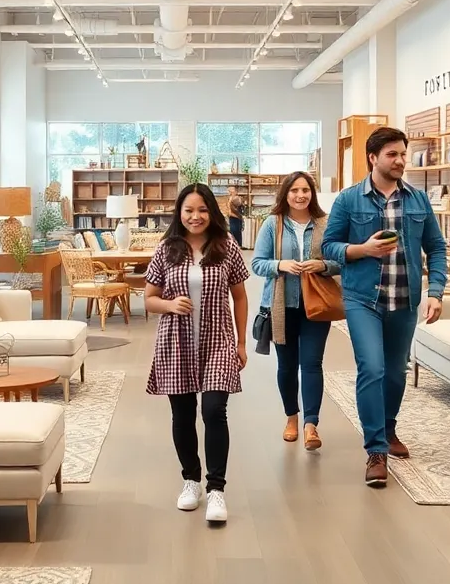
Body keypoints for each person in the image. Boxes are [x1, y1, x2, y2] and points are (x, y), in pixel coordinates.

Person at [323, 127, 447, 488]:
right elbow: (329, 247)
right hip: (363, 298)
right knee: (372, 368)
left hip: (405, 300)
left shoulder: (418, 200)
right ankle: (375, 450)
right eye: (392, 154)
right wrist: (362, 250)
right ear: (373, 158)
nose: (400, 161)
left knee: (396, 373)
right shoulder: (349, 200)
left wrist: (436, 290)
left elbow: (436, 248)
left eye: (403, 154)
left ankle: (388, 428)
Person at [144, 183, 250, 523]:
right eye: (188, 210)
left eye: (202, 210)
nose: (195, 216)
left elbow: (241, 297)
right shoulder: (167, 248)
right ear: (179, 213)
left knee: (215, 410)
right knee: (183, 414)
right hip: (176, 342)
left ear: (212, 213)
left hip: (218, 340)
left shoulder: (227, 246)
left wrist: (241, 342)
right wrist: (170, 304)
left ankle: (216, 488)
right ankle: (191, 481)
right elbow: (149, 298)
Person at [251, 171, 340, 451]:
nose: (301, 195)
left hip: (317, 306)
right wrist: (280, 265)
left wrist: (322, 266)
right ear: (285, 194)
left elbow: (341, 261)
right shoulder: (273, 224)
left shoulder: (326, 224)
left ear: (312, 194)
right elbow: (257, 264)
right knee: (287, 366)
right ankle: (291, 417)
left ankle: (310, 424)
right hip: (281, 306)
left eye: (306, 190)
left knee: (312, 364)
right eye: (294, 190)